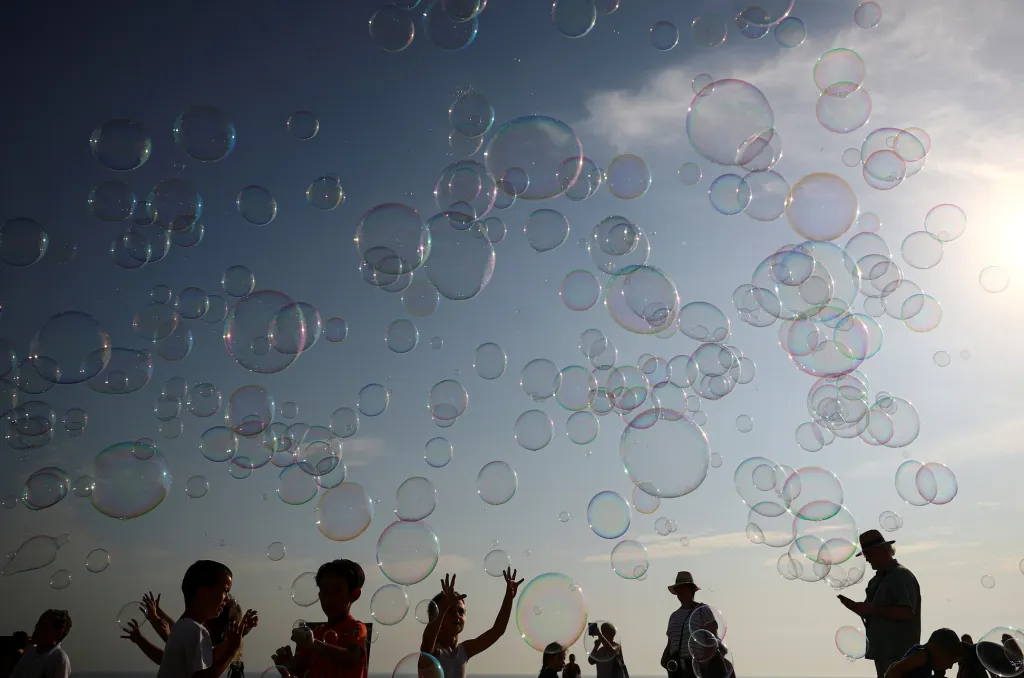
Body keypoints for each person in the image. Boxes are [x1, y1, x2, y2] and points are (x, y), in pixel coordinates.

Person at [838, 530, 922, 678]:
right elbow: (873, 611)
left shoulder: (901, 576)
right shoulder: (876, 581)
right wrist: (859, 609)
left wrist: (872, 610)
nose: (867, 559)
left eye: (868, 554)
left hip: (900, 655)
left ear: (882, 551)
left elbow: (907, 613)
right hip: (883, 654)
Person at [158, 560, 258, 678]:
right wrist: (232, 650)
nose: (227, 599)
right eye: (225, 591)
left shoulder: (183, 626)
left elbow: (209, 657)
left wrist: (238, 635)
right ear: (203, 593)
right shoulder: (196, 630)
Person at [271, 559, 368, 678]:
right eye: (324, 590)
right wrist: (287, 667)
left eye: (337, 590)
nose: (329, 597)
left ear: (354, 595)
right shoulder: (316, 633)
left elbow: (350, 658)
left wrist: (313, 644)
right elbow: (300, 671)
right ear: (319, 595)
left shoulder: (356, 628)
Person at [420, 568, 524, 678]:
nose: (457, 615)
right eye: (449, 610)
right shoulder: (432, 651)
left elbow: (497, 630)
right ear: (435, 617)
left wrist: (509, 597)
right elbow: (427, 639)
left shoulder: (464, 651)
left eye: (461, 611)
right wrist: (443, 607)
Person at [123, 592, 247, 677]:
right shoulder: (201, 636)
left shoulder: (202, 638)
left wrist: (153, 622)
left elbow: (167, 655)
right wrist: (156, 615)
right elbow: (179, 630)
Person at [661, 572, 719, 678]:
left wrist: (704, 664)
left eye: (683, 588)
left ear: (691, 590)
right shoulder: (674, 616)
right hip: (677, 670)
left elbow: (713, 640)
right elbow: (671, 643)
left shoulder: (702, 610)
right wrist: (665, 660)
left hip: (697, 669)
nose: (680, 591)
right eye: (678, 589)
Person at [9, 610, 72, 678]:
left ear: (58, 632)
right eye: (37, 626)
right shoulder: (29, 654)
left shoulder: (59, 659)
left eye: (43, 627)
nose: (36, 630)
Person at [884, 628, 963, 678]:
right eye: (951, 661)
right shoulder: (922, 655)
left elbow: (894, 666)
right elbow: (895, 670)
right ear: (939, 650)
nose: (950, 667)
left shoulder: (925, 660)